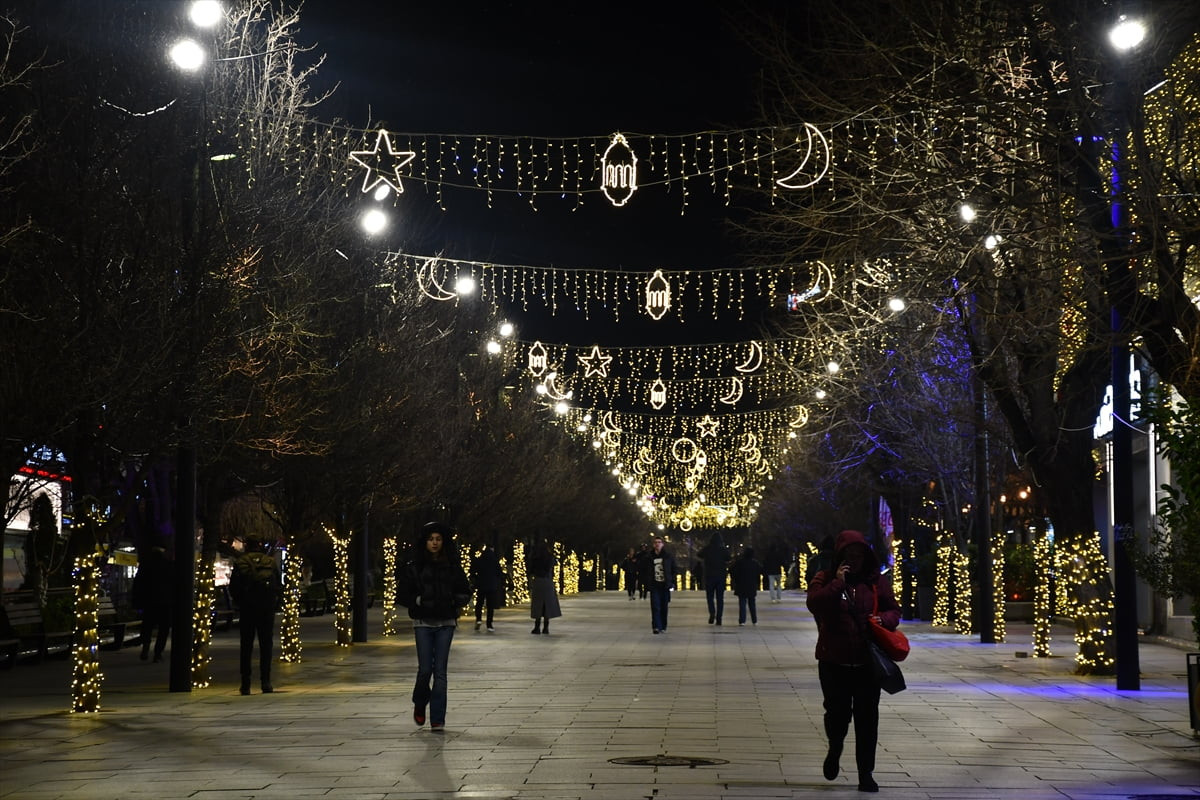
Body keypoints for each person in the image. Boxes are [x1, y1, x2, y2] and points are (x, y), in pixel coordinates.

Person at [806, 530, 901, 793]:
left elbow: (894, 610)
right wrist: (837, 583)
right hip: (833, 661)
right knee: (837, 715)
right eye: (850, 556)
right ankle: (835, 747)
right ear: (840, 557)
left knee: (867, 718)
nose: (855, 560)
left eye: (859, 556)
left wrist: (885, 620)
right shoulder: (824, 578)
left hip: (866, 662)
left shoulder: (875, 582)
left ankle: (865, 773)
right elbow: (814, 604)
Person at [398, 522, 471, 731]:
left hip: (445, 622)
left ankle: (438, 718)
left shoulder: (453, 566)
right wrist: (418, 601)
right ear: (425, 542)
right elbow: (403, 594)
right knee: (425, 670)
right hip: (422, 623)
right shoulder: (415, 566)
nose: (435, 543)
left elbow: (465, 591)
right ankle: (420, 702)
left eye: (438, 539)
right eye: (431, 539)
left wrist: (453, 601)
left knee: (440, 672)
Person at [229, 534, 283, 695]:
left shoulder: (241, 563)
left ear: (246, 545)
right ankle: (265, 681)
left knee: (246, 646)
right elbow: (279, 585)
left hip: (248, 609)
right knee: (266, 645)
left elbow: (234, 588)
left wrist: (241, 602)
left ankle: (245, 683)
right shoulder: (270, 562)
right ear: (259, 545)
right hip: (266, 609)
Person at [132, 546, 172, 662]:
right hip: (164, 602)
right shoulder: (168, 565)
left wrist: (137, 602)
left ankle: (145, 648)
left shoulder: (145, 565)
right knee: (163, 628)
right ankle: (158, 653)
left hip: (149, 602)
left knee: (147, 626)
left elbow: (138, 585)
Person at [640, 536, 676, 634]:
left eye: (659, 542)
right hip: (654, 585)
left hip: (665, 585)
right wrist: (646, 582)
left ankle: (663, 626)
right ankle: (656, 626)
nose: (657, 544)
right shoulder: (649, 557)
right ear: (653, 544)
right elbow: (643, 570)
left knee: (664, 606)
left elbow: (673, 570)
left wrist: (672, 582)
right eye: (655, 542)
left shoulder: (668, 556)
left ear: (662, 544)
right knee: (655, 606)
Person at [526, 540, 561, 634]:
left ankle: (536, 627)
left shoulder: (535, 558)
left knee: (538, 605)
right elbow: (552, 568)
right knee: (547, 605)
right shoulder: (550, 557)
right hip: (547, 582)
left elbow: (530, 570)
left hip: (538, 582)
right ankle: (546, 627)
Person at [697, 531, 730, 625]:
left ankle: (712, 613)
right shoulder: (723, 549)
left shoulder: (707, 549)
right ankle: (719, 618)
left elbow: (699, 554)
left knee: (710, 597)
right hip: (720, 576)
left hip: (709, 575)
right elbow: (729, 557)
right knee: (720, 598)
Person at [471, 544, 504, 631]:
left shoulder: (479, 560)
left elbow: (472, 572)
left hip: (481, 584)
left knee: (479, 603)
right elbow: (499, 573)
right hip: (491, 585)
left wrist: (477, 579)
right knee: (490, 606)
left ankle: (478, 619)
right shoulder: (494, 560)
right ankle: (489, 624)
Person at [729, 546, 761, 626]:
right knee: (752, 603)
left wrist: (735, 579)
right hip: (751, 585)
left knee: (742, 603)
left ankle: (742, 620)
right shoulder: (755, 563)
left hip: (741, 585)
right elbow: (760, 571)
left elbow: (732, 570)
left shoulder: (739, 562)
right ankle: (754, 620)